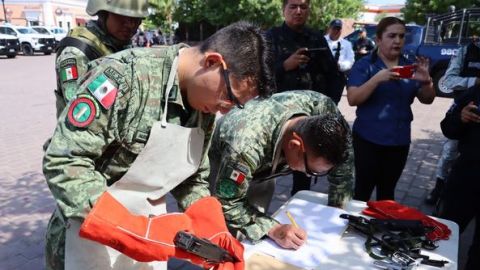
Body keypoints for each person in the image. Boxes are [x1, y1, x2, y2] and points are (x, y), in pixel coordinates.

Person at [43, 21, 275, 270]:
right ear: (213, 63)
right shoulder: (125, 77)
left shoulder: (203, 102)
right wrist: (127, 227)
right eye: (229, 97)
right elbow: (63, 160)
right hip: (85, 233)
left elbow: (193, 176)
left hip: (150, 238)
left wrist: (211, 228)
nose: (224, 110)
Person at [208, 90, 353, 249]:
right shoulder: (244, 147)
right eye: (312, 171)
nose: (307, 175)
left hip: (259, 157)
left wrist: (335, 210)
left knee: (256, 218)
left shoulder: (323, 109)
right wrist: (274, 229)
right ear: (294, 145)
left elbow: (343, 164)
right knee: (225, 232)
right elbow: (228, 202)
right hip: (223, 162)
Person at [346, 17, 435, 202]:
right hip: (368, 140)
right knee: (362, 192)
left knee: (387, 195)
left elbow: (427, 100)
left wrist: (426, 82)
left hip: (398, 142)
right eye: (392, 36)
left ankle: (382, 229)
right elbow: (353, 99)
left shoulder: (409, 66)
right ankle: (356, 227)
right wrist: (376, 79)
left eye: (401, 36)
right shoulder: (365, 65)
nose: (398, 41)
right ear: (378, 39)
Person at [266, 0, 342, 198]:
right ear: (284, 10)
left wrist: (328, 107)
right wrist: (284, 66)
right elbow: (257, 76)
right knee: (267, 167)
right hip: (278, 117)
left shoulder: (316, 38)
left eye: (303, 7)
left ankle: (297, 206)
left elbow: (335, 75)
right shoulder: (271, 37)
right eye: (293, 6)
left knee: (303, 172)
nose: (298, 11)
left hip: (310, 118)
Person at [54, 0, 148, 119]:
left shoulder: (118, 43)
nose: (131, 25)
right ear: (103, 14)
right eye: (123, 17)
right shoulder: (77, 53)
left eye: (136, 19)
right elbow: (80, 114)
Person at [426, 38, 480, 205]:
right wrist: (474, 82)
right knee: (451, 150)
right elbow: (448, 80)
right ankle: (439, 187)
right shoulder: (466, 51)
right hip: (465, 107)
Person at [438, 86, 480, 270]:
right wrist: (460, 119)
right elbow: (447, 127)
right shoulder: (475, 93)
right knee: (443, 235)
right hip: (467, 177)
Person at [324, 19, 355, 103]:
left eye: (339, 29)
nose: (336, 31)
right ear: (329, 28)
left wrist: (340, 65)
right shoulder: (321, 41)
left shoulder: (346, 44)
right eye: (334, 28)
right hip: (323, 76)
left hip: (338, 77)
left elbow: (350, 60)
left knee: (334, 101)